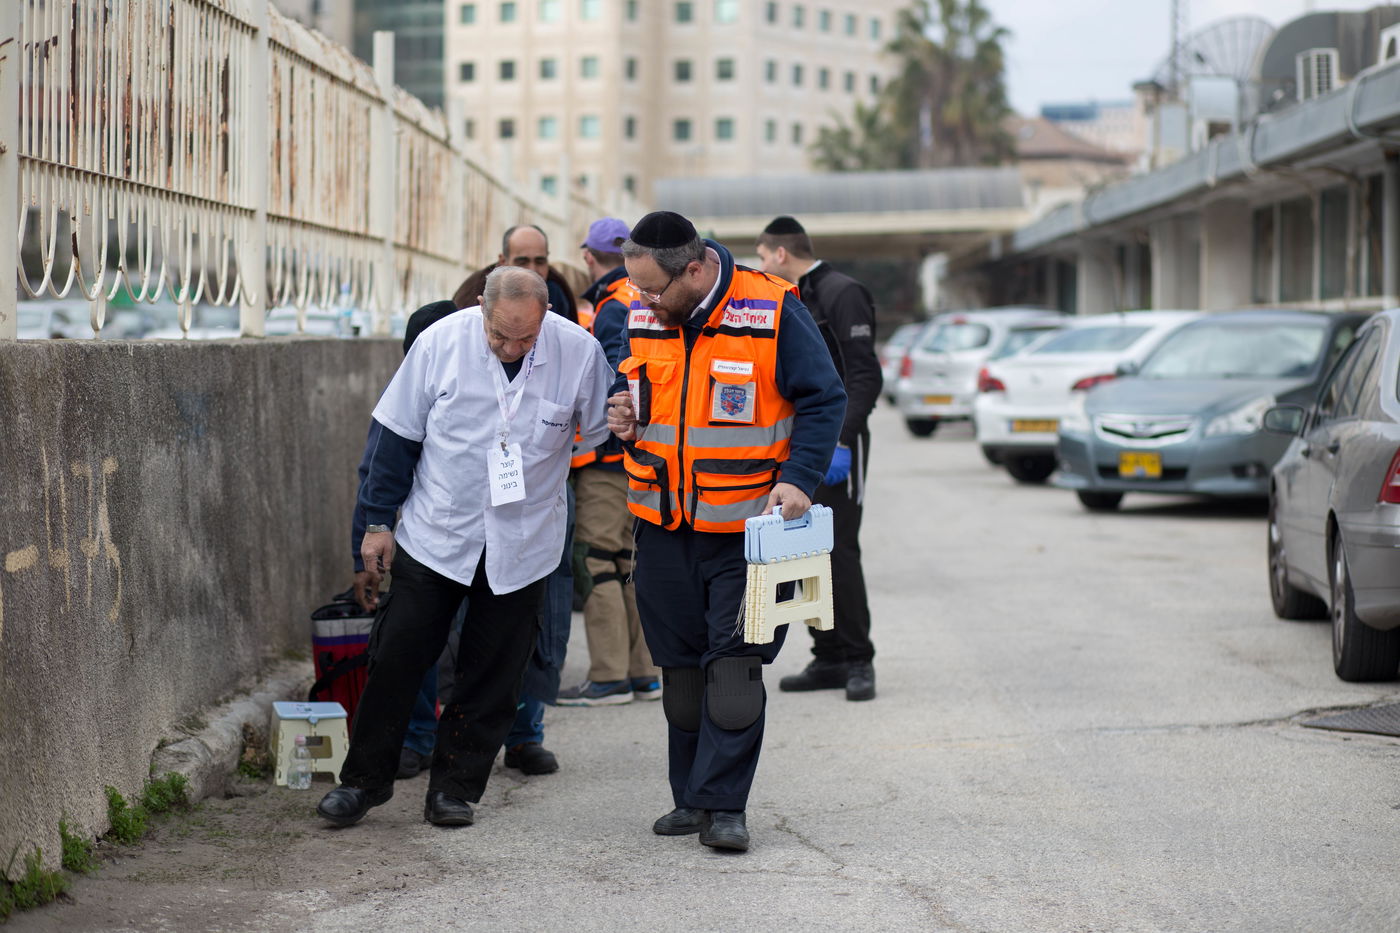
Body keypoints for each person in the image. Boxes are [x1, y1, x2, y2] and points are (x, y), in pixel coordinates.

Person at [316, 265, 613, 828]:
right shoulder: (440, 341)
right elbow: (394, 437)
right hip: (438, 533)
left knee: (493, 673)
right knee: (397, 657)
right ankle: (363, 782)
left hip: (525, 542)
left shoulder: (578, 352)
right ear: (480, 306)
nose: (510, 348)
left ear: (546, 314)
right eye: (499, 334)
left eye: (525, 338)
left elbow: (604, 431)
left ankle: (455, 788)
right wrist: (376, 524)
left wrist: (629, 420)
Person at [606, 211, 846, 852]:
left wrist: (800, 477)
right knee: (682, 675)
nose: (645, 301)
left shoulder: (772, 309)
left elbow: (825, 397)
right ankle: (690, 799)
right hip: (661, 524)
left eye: (656, 290)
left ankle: (726, 806)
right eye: (638, 290)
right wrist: (623, 414)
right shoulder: (640, 304)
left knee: (735, 672)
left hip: (745, 530)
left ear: (695, 268)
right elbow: (634, 381)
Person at [449, 224, 581, 775]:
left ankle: (527, 733)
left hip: (544, 491)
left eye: (542, 258)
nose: (536, 265)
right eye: (523, 257)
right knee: (469, 619)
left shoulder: (564, 308)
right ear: (498, 261)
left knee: (540, 619)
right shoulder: (463, 307)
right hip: (474, 497)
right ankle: (455, 734)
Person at [755, 215, 883, 702]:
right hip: (802, 444)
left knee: (840, 550)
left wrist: (841, 439)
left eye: (764, 257)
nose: (763, 266)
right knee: (805, 552)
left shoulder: (841, 291)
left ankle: (858, 660)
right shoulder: (787, 297)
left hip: (841, 444)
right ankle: (827, 655)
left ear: (780, 254)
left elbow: (866, 376)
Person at [557, 218, 661, 708]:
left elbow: (615, 381)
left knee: (598, 560)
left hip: (607, 457)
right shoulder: (650, 292)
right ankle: (642, 672)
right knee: (626, 561)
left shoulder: (613, 304)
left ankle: (609, 677)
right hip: (642, 456)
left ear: (588, 256)